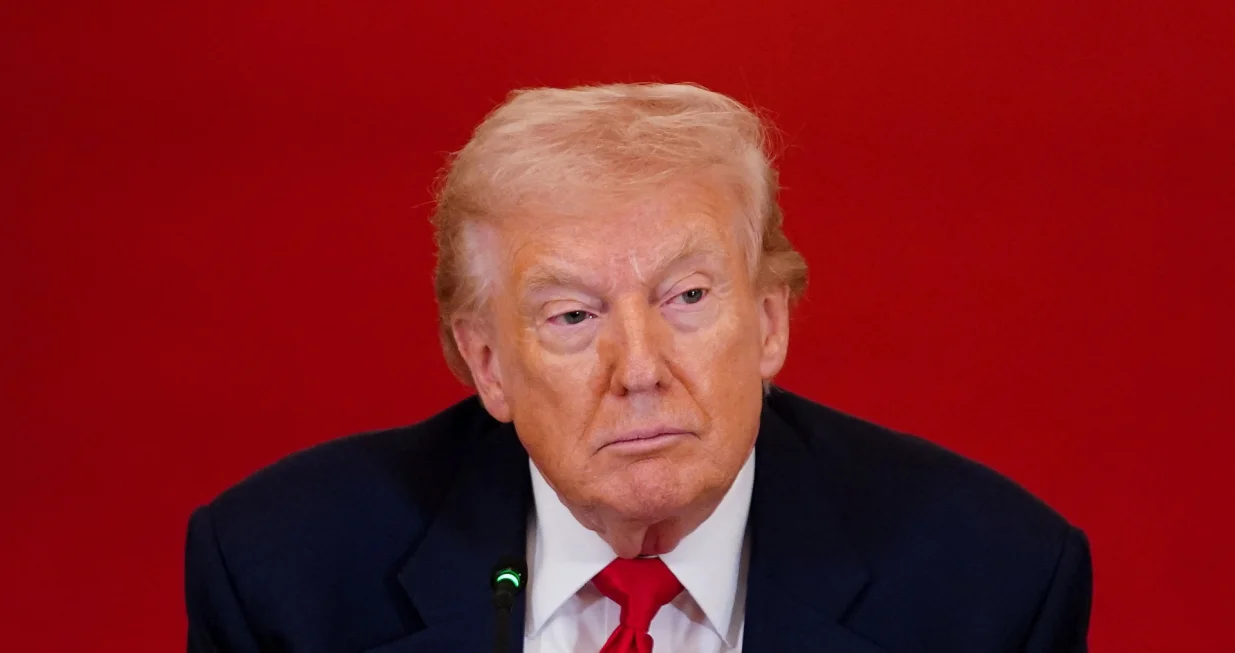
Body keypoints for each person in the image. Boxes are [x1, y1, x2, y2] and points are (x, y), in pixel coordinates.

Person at [185, 83, 1092, 653]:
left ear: (768, 321)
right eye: (573, 315)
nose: (640, 368)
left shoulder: (988, 582)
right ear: (488, 363)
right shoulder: (286, 575)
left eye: (686, 297)